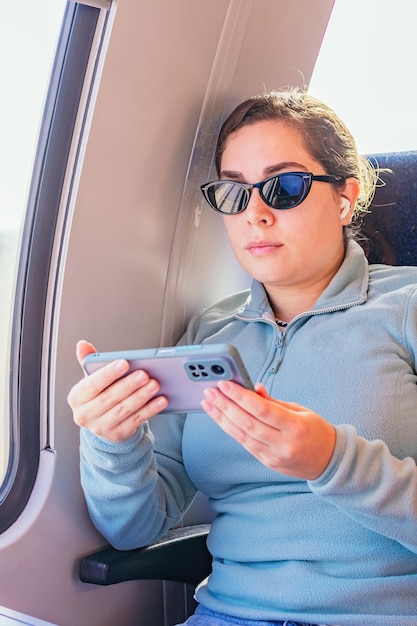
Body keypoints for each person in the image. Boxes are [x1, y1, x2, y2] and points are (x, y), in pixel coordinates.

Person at [68, 89, 417, 626]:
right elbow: (134, 529)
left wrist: (334, 462)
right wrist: (113, 441)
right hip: (227, 615)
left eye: (286, 186)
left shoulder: (407, 306)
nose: (255, 214)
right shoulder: (209, 333)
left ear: (345, 197)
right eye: (235, 192)